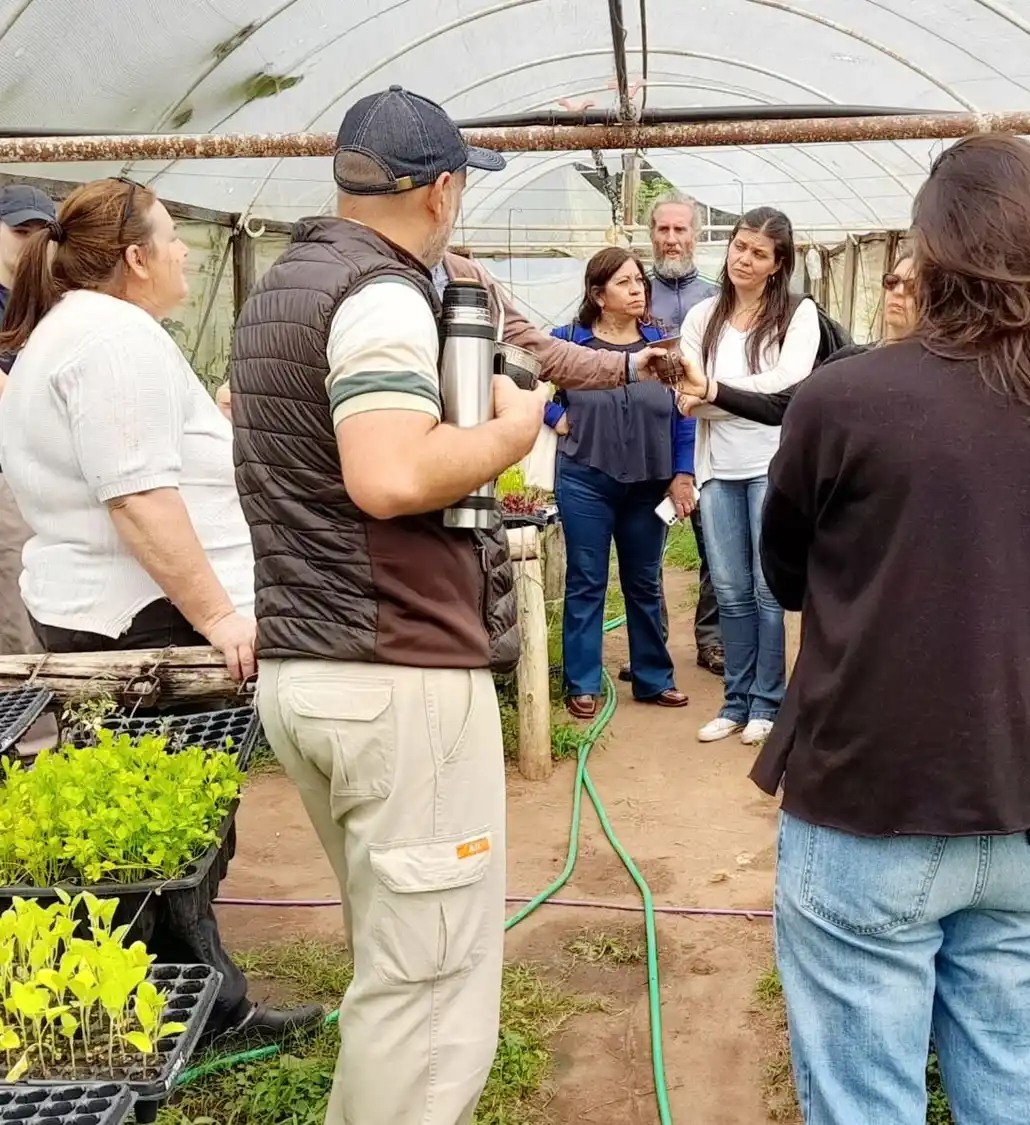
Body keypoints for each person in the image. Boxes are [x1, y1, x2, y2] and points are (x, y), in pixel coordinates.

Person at [230, 85, 682, 1125]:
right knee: (431, 992)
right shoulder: (383, 295)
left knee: (395, 962)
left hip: (312, 663)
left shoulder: (288, 285)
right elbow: (388, 477)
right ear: (441, 189)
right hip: (393, 673)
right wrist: (512, 431)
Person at [753, 133, 1030, 1125]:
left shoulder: (845, 400)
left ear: (933, 253)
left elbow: (786, 572)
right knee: (1009, 1098)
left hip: (873, 802)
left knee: (864, 1099)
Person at [0, 176, 324, 1045]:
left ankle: (144, 998)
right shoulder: (113, 341)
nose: (185, 251)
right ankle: (189, 1012)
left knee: (143, 826)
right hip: (148, 621)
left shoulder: (73, 332)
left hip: (104, 609)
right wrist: (220, 615)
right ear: (136, 259)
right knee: (173, 833)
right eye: (173, 236)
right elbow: (138, 496)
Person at [680, 207, 819, 746]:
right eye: (740, 246)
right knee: (731, 591)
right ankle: (735, 701)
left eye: (759, 253)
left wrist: (714, 390)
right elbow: (685, 400)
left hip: (771, 468)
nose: (744, 259)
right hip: (717, 469)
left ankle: (769, 701)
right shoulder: (702, 317)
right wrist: (741, 395)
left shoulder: (797, 315)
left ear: (777, 263)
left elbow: (790, 392)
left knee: (767, 592)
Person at [544, 247, 694, 719]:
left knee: (644, 582)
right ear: (598, 294)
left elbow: (684, 411)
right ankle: (582, 681)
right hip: (586, 477)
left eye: (639, 282)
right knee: (587, 579)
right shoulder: (567, 342)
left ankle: (653, 677)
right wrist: (554, 415)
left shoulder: (663, 344)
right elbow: (519, 382)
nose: (638, 290)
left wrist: (683, 472)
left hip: (649, 483)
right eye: (625, 282)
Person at [675, 253, 916, 426]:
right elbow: (784, 404)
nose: (898, 292)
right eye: (891, 282)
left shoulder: (942, 369)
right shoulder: (853, 360)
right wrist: (708, 388)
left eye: (913, 286)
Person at [647, 193, 723, 676]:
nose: (672, 240)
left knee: (714, 544)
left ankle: (713, 640)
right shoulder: (631, 290)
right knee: (643, 551)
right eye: (663, 230)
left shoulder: (718, 298)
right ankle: (648, 645)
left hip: (705, 438)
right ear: (651, 234)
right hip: (644, 440)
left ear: (696, 234)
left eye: (681, 230)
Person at [0, 185, 55, 658]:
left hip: (45, 472)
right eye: (20, 231)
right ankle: (29, 728)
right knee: (14, 597)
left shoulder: (51, 301)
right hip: (9, 477)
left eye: (42, 233)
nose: (31, 243)